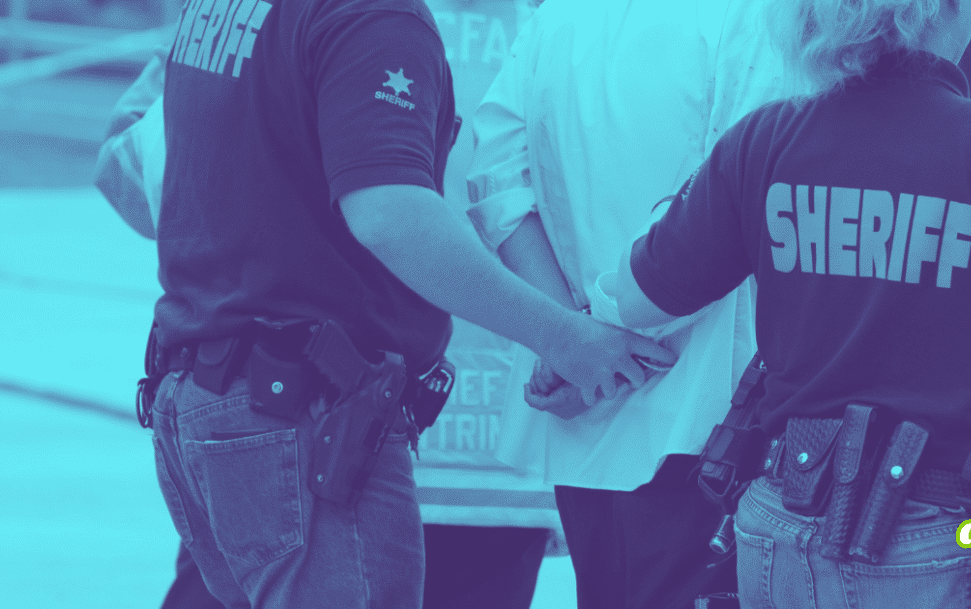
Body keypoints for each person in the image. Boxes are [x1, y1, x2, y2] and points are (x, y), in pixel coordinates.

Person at [612, 0, 971, 607]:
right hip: (945, 537)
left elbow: (637, 299)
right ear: (941, 14)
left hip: (777, 526)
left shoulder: (764, 141)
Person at [144, 0, 674, 608]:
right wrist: (562, 336)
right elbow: (390, 213)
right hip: (299, 419)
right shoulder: (374, 16)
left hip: (204, 397)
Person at [93, 45, 551, 609]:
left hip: (296, 424)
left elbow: (127, 174)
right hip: (483, 441)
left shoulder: (272, 17)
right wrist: (568, 341)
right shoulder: (546, 25)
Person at [464, 1, 793, 607]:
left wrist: (569, 336)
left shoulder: (558, 17)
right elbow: (728, 213)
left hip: (589, 412)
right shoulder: (756, 20)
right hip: (710, 422)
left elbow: (494, 178)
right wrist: (586, 337)